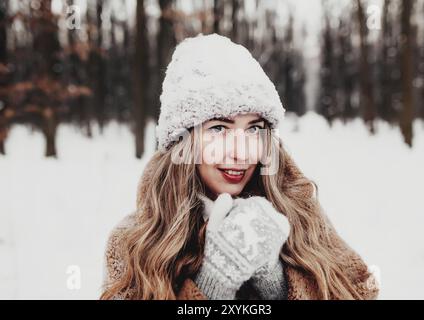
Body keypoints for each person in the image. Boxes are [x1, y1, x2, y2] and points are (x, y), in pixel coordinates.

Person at [100, 33, 379, 300]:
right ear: (183, 142)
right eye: (219, 128)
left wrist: (275, 283)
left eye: (254, 129)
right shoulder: (135, 240)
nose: (241, 152)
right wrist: (212, 282)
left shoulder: (299, 212)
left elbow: (361, 290)